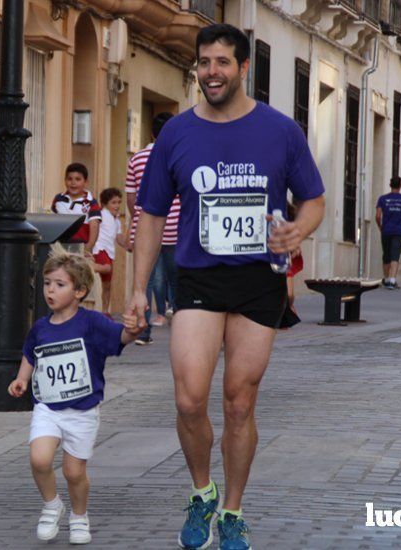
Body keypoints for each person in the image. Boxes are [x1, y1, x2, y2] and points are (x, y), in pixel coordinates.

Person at [126, 24, 325, 550]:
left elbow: (314, 200)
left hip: (259, 282)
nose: (211, 71)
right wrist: (138, 288)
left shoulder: (281, 131)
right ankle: (202, 492)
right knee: (190, 398)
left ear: (242, 68)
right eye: (204, 62)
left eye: (221, 62)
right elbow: (149, 214)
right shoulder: (176, 134)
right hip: (197, 278)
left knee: (239, 402)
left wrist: (297, 229)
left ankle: (233, 511)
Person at [8, 246, 139, 544]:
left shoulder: (91, 322)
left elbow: (119, 337)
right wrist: (21, 379)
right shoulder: (40, 327)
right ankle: (52, 505)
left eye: (59, 284)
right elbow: (31, 354)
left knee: (73, 471)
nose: (50, 290)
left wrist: (132, 330)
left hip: (82, 411)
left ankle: (79, 516)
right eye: (47, 283)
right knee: (39, 459)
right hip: (48, 408)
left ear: (79, 291)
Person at [125, 112, 177, 344]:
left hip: (145, 230)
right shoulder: (178, 155)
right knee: (177, 281)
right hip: (176, 230)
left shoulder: (136, 159)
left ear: (152, 132)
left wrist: (136, 220)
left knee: (144, 280)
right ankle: (181, 326)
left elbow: (131, 197)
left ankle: (142, 331)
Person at [91, 187, 128, 317]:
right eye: (113, 202)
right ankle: (88, 266)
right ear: (105, 204)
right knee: (106, 268)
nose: (117, 205)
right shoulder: (101, 214)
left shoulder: (117, 220)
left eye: (119, 202)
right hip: (99, 249)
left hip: (110, 252)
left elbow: (119, 238)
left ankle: (105, 311)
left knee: (107, 285)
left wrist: (128, 246)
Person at [51, 163, 101, 254]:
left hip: (81, 246)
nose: (73, 183)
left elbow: (94, 225)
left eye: (78, 179)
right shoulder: (58, 199)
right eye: (70, 179)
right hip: (60, 246)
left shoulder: (91, 202)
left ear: (86, 182)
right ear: (65, 180)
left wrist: (89, 246)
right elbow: (53, 221)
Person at [375, 177, 401, 289]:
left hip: (386, 230)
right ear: (400, 185)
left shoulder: (382, 199)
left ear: (390, 185)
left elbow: (377, 216)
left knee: (386, 255)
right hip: (399, 231)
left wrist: (380, 226)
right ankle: (392, 280)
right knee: (395, 255)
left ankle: (386, 278)